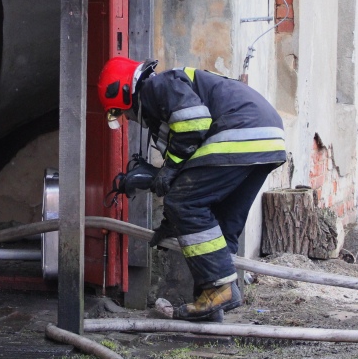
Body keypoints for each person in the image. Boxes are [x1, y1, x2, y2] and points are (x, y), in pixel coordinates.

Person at [97, 57, 286, 322]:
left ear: (126, 93)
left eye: (122, 112)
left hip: (240, 133)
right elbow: (192, 173)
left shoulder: (158, 86)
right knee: (219, 220)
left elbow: (194, 126)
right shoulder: (165, 104)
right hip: (265, 139)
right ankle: (213, 303)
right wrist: (169, 224)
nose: (127, 119)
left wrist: (170, 171)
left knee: (184, 204)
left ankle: (219, 289)